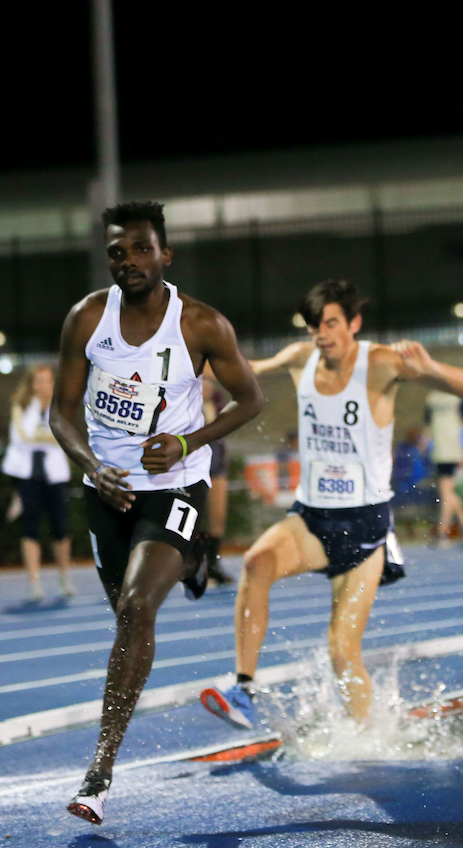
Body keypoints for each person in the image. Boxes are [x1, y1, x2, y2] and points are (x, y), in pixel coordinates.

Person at [51, 201, 263, 824]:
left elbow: (251, 399)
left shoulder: (200, 324)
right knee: (127, 617)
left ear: (164, 254)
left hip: (175, 484)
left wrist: (189, 443)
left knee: (138, 605)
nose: (130, 260)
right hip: (107, 491)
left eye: (142, 248)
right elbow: (61, 413)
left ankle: (99, 771)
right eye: (118, 251)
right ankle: (192, 564)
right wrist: (93, 467)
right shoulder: (87, 318)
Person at [200, 279, 463, 732]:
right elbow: (245, 369)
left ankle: (370, 737)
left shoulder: (382, 363)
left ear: (353, 323)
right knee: (256, 563)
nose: (321, 334)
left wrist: (429, 366)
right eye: (314, 326)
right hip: (311, 518)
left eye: (330, 324)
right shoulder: (300, 358)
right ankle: (243, 691)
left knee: (341, 650)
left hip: (365, 527)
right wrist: (190, 358)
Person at [3, 364, 75, 601]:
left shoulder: (61, 405)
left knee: (61, 529)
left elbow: (65, 437)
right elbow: (21, 437)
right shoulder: (22, 405)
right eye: (39, 381)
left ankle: (64, 578)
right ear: (31, 383)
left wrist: (40, 435)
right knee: (30, 528)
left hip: (54, 475)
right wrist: (47, 435)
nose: (43, 385)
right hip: (28, 475)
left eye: (47, 380)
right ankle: (34, 583)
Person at [423, 388, 463, 546]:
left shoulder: (434, 398)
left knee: (446, 492)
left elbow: (428, 426)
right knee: (449, 492)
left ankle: (443, 533)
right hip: (448, 450)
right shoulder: (442, 398)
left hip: (447, 451)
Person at [201, 373, 234, 584]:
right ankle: (190, 565)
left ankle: (213, 564)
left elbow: (222, 426)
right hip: (191, 460)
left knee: (217, 516)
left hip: (216, 462)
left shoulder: (217, 399)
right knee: (190, 517)